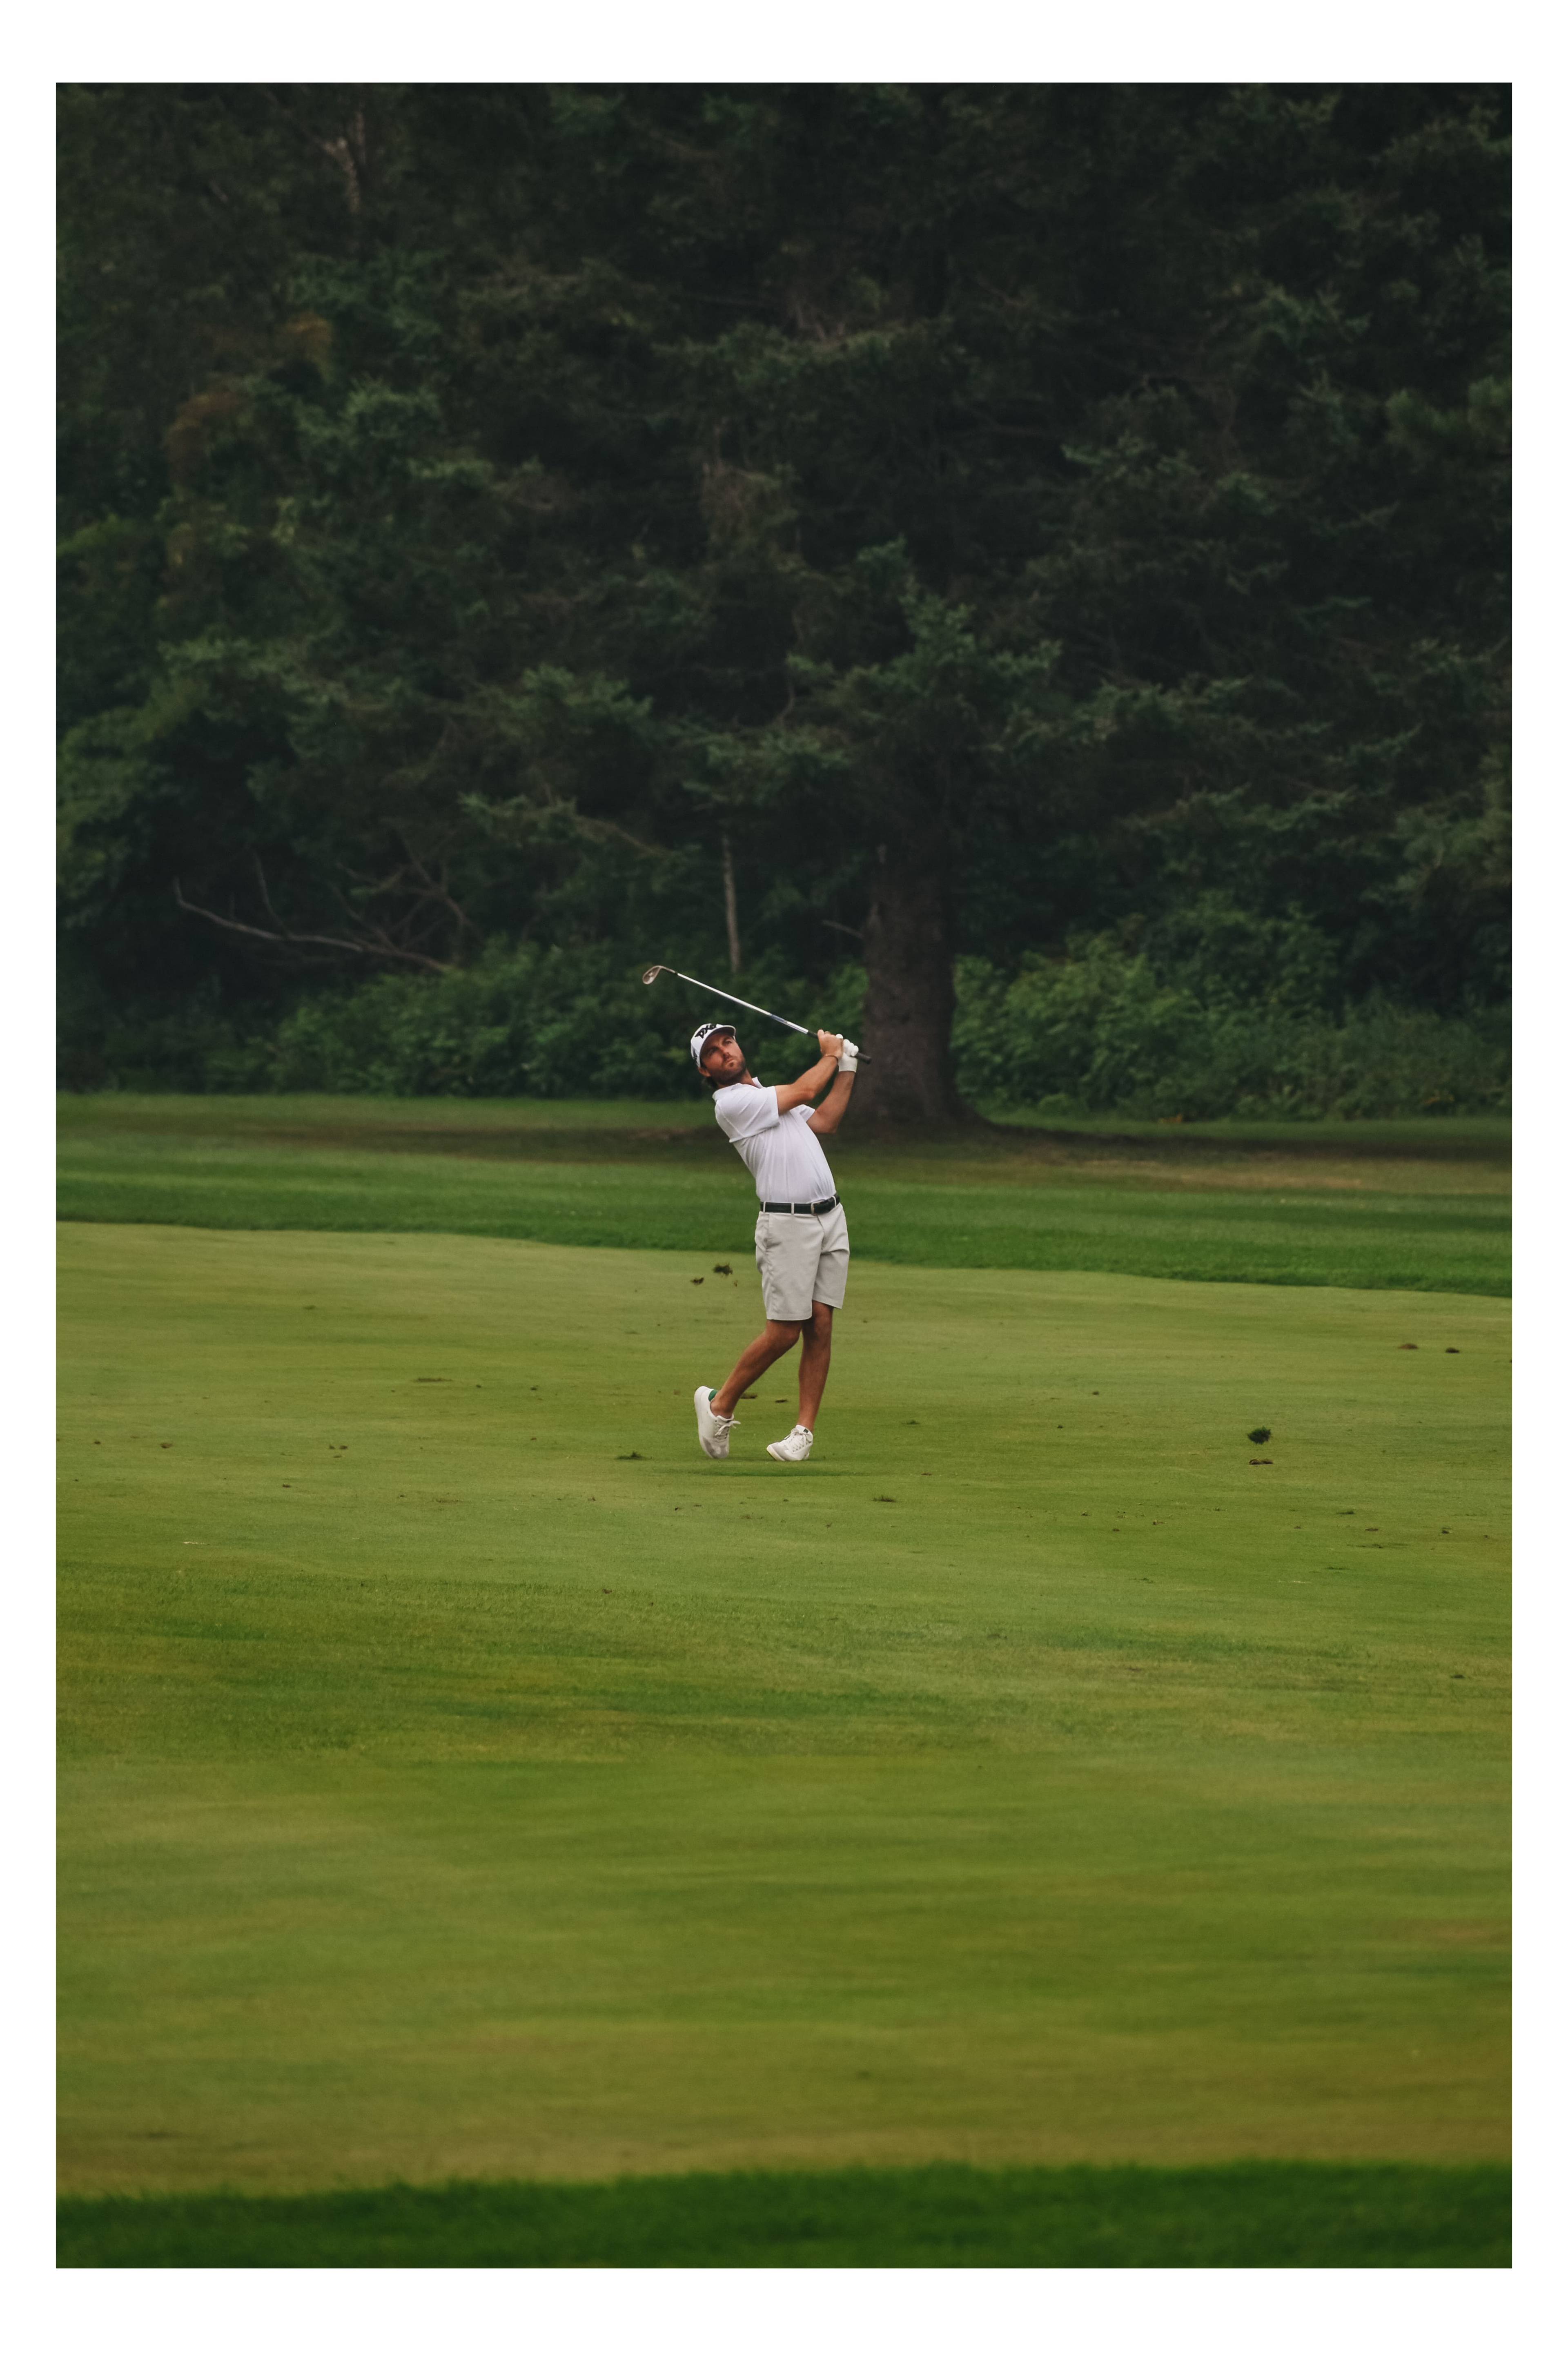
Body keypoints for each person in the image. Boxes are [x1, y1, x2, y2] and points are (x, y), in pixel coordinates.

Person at [690, 1019, 858, 1463]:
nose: (725, 1051)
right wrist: (830, 1053)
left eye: (728, 1042)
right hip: (786, 1224)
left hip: (830, 1217)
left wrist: (847, 1067)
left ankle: (803, 1432)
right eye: (713, 1051)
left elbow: (826, 1121)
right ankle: (720, 1404)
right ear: (706, 1070)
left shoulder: (764, 1093)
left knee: (821, 1324)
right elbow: (807, 1090)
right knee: (784, 1333)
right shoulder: (733, 1103)